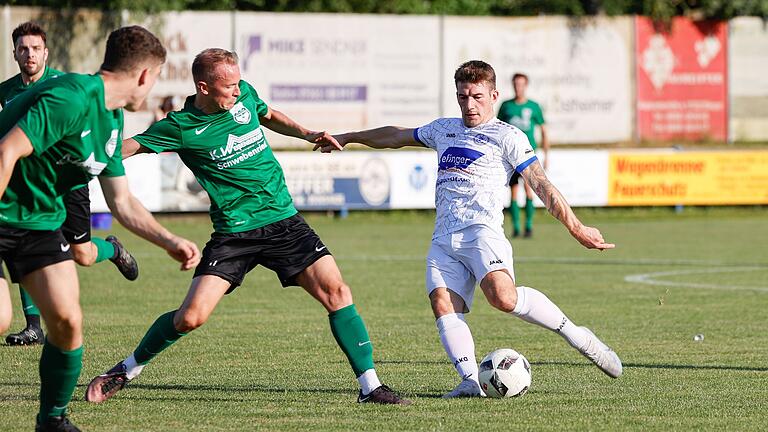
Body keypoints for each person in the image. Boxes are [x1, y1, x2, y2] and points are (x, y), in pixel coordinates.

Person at [85, 48, 410, 407]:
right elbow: (128, 148)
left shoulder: (245, 96)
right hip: (234, 233)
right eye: (230, 86)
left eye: (239, 83)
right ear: (204, 87)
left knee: (337, 292)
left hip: (283, 220)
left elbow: (267, 114)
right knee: (191, 317)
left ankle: (371, 386)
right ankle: (126, 370)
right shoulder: (179, 127)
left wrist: (308, 133)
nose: (238, 91)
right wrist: (85, 154)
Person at [316, 60, 622, 398]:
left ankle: (578, 336)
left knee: (503, 298)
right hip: (444, 236)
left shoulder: (508, 136)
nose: (469, 105)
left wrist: (576, 228)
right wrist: (348, 137)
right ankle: (469, 380)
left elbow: (540, 183)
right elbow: (395, 135)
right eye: (463, 97)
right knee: (443, 302)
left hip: (482, 232)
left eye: (477, 96)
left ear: (493, 95)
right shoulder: (444, 129)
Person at [0, 26, 200, 432]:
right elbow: (6, 151)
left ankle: (52, 420)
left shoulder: (111, 122)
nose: (154, 85)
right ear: (145, 75)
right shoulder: (71, 97)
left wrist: (169, 241)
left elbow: (121, 202)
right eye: (157, 77)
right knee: (0, 318)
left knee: (68, 321)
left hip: (38, 221)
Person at [0, 21, 140, 347]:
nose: (29, 54)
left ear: (46, 53)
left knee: (84, 255)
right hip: (28, 188)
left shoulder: (63, 87)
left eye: (35, 48)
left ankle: (112, 248)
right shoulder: (6, 90)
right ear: (15, 53)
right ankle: (33, 325)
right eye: (23, 48)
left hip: (70, 183)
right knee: (25, 234)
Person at [496, 72, 549, 238]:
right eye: (515, 84)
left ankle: (528, 226)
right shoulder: (506, 106)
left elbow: (543, 130)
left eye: (521, 84)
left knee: (529, 190)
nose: (518, 87)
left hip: (527, 156)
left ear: (526, 86)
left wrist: (546, 154)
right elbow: (497, 128)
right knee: (513, 191)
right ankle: (516, 227)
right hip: (509, 157)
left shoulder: (533, 106)